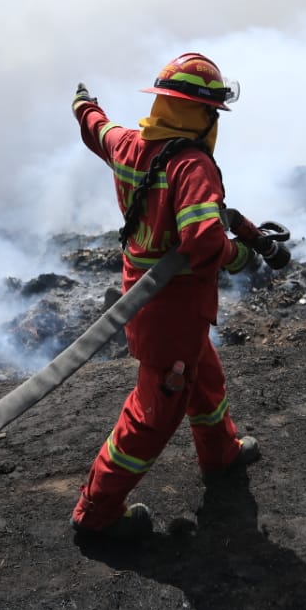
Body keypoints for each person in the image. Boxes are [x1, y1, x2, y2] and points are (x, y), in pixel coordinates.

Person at [69, 52, 263, 540]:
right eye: (213, 112)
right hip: (172, 309)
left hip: (149, 296)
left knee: (205, 377)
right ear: (200, 114)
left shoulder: (133, 146)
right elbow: (202, 240)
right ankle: (96, 513)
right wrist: (240, 258)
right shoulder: (193, 166)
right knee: (152, 416)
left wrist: (83, 105)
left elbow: (99, 130)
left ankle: (221, 454)